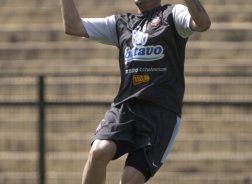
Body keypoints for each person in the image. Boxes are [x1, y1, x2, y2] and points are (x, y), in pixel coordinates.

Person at [60, 0, 210, 183]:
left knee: (129, 180)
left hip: (160, 113)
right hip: (125, 107)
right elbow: (73, 26)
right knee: (99, 151)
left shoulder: (173, 14)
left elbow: (202, 24)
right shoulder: (121, 23)